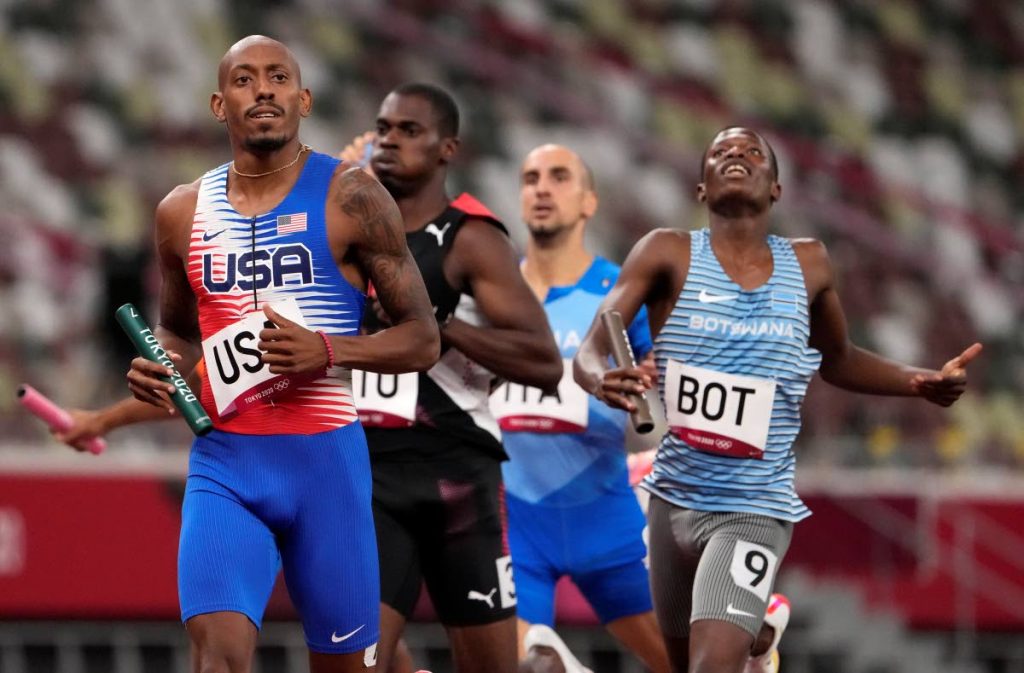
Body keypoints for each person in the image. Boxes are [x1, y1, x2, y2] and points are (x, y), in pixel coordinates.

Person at [573, 126, 981, 673]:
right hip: (673, 500)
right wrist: (601, 379)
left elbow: (837, 357)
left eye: (751, 153)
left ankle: (748, 644)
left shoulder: (809, 265)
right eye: (720, 152)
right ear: (701, 187)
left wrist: (916, 380)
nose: (735, 156)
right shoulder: (665, 251)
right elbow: (592, 349)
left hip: (754, 506)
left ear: (776, 190)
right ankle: (759, 648)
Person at [122, 36, 440, 673]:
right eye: (244, 80)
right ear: (219, 104)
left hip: (326, 467)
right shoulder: (180, 214)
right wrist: (162, 368)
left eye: (277, 77)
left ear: (304, 98)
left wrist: (327, 350)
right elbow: (179, 335)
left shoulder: (352, 197)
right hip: (227, 462)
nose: (262, 89)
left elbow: (422, 338)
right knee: (218, 659)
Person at [341, 84, 562, 673]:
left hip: (458, 483)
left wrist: (438, 326)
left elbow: (544, 362)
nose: (390, 140)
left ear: (447, 149)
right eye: (383, 128)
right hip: (368, 478)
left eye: (409, 131)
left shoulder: (471, 239)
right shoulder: (345, 237)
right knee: (357, 660)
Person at [487, 144, 669, 673]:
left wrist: (659, 377)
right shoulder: (494, 295)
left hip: (606, 520)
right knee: (526, 665)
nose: (542, 188)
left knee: (694, 664)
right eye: (530, 178)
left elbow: (666, 387)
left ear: (589, 201)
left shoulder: (622, 291)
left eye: (559, 177)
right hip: (517, 527)